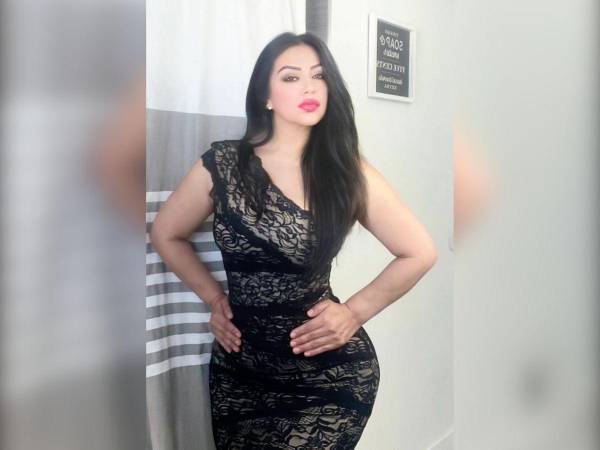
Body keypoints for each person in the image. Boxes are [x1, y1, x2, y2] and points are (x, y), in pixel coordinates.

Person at [150, 32, 437, 450]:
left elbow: (419, 252)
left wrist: (354, 312)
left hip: (326, 376)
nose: (309, 87)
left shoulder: (347, 171)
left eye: (319, 76)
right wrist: (213, 299)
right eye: (290, 77)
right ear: (265, 96)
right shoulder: (224, 164)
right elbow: (166, 233)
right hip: (240, 371)